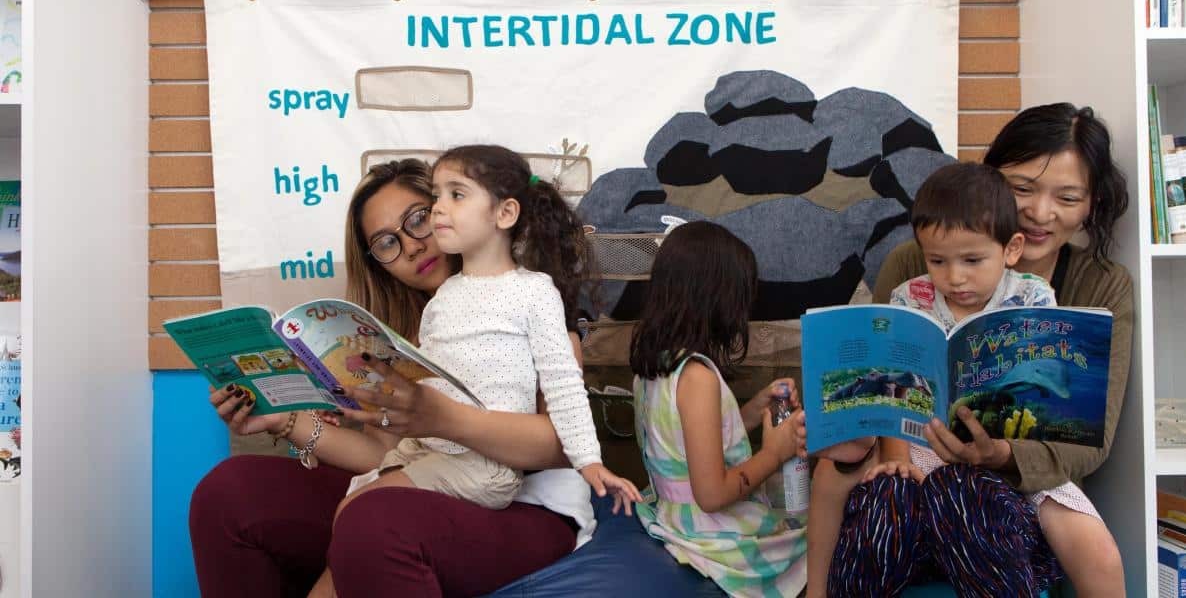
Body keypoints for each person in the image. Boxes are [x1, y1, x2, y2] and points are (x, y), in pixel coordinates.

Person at [190, 158, 598, 598]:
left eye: (418, 219)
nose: (412, 247)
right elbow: (381, 454)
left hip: (524, 506)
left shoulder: (525, 302)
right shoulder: (390, 339)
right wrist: (283, 420)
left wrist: (442, 418)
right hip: (418, 484)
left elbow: (561, 446)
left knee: (373, 519)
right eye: (387, 243)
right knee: (227, 492)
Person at [806, 103, 1131, 597]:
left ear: (1091, 204)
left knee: (1089, 546)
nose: (1042, 211)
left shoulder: (1066, 293)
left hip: (1013, 478)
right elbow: (884, 389)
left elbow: (1087, 437)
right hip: (917, 455)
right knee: (859, 483)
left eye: (1067, 196)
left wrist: (997, 453)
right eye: (1023, 188)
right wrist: (880, 448)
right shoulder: (913, 272)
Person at [309, 145, 641, 596]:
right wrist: (350, 406)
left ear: (504, 214)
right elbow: (423, 398)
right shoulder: (441, 306)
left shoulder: (533, 293)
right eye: (438, 198)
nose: (437, 214)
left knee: (362, 515)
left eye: (449, 199)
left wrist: (591, 463)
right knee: (349, 510)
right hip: (432, 452)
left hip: (492, 470)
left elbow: (564, 391)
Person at [630, 220, 871, 598]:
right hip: (713, 535)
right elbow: (711, 495)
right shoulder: (698, 378)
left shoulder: (657, 367)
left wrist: (754, 407)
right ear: (718, 299)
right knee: (823, 535)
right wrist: (777, 452)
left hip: (673, 515)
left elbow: (692, 439)